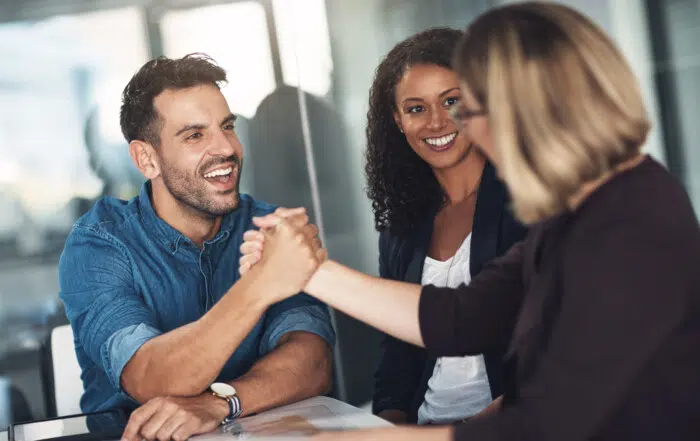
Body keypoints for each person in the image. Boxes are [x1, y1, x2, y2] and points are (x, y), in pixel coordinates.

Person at [238, 3, 700, 441]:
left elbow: (547, 426)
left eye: (471, 111)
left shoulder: (631, 222)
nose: (469, 130)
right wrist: (308, 269)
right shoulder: (574, 213)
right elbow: (461, 316)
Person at [57, 54, 335, 441]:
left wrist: (221, 403)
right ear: (146, 159)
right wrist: (262, 283)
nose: (226, 148)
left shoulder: (269, 226)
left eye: (227, 127)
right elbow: (151, 377)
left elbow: (314, 361)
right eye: (195, 135)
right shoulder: (99, 245)